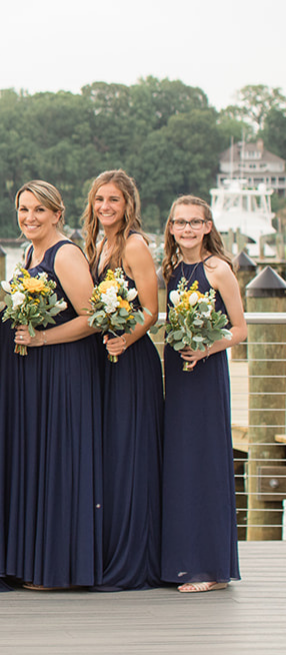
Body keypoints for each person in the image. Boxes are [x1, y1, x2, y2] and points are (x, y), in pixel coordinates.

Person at [0, 179, 101, 592]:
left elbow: (92, 317)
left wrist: (42, 338)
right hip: (36, 371)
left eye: (39, 210)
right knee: (41, 459)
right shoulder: (29, 251)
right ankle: (39, 562)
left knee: (62, 460)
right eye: (24, 210)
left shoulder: (66, 254)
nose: (29, 218)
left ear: (58, 213)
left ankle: (62, 569)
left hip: (65, 368)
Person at [158, 195, 244, 593]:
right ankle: (182, 561)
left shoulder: (218, 269)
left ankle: (209, 568)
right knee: (180, 464)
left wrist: (206, 348)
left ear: (208, 226)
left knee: (205, 462)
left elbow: (240, 331)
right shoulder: (174, 268)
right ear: (171, 228)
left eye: (195, 222)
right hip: (177, 372)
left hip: (206, 374)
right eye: (180, 222)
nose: (187, 229)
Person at [82, 170, 163, 591]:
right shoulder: (96, 245)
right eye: (99, 200)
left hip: (131, 361)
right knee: (110, 456)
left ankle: (136, 560)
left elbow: (151, 309)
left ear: (128, 203)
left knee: (131, 454)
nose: (105, 207)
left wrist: (126, 339)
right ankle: (108, 551)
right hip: (104, 359)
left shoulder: (134, 245)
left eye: (113, 200)